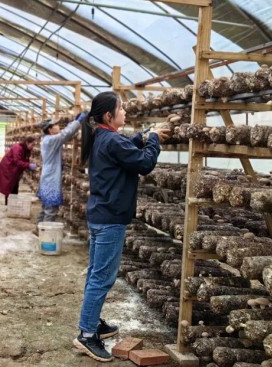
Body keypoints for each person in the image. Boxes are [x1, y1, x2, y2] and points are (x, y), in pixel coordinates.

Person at [73, 91, 169, 362]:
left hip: (101, 215)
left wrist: (144, 135)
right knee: (102, 278)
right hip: (110, 218)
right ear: (108, 115)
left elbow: (126, 148)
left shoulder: (102, 137)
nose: (125, 112)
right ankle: (87, 335)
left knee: (96, 274)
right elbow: (143, 163)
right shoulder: (111, 140)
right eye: (122, 108)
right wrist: (154, 142)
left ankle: (92, 322)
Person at [36, 112, 88, 224]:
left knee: (46, 207)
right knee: (50, 210)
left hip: (47, 177)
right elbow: (66, 134)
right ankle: (46, 236)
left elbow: (65, 134)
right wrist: (78, 121)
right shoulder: (51, 140)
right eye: (55, 125)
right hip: (50, 180)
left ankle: (39, 228)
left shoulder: (47, 139)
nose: (58, 126)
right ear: (50, 129)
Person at [0, 136, 37, 205]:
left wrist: (28, 166)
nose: (33, 147)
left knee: (14, 187)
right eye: (32, 145)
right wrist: (28, 165)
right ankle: (9, 205)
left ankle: (12, 205)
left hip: (15, 170)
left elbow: (24, 160)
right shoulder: (17, 148)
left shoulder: (26, 150)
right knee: (9, 188)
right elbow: (17, 161)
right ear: (27, 142)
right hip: (9, 169)